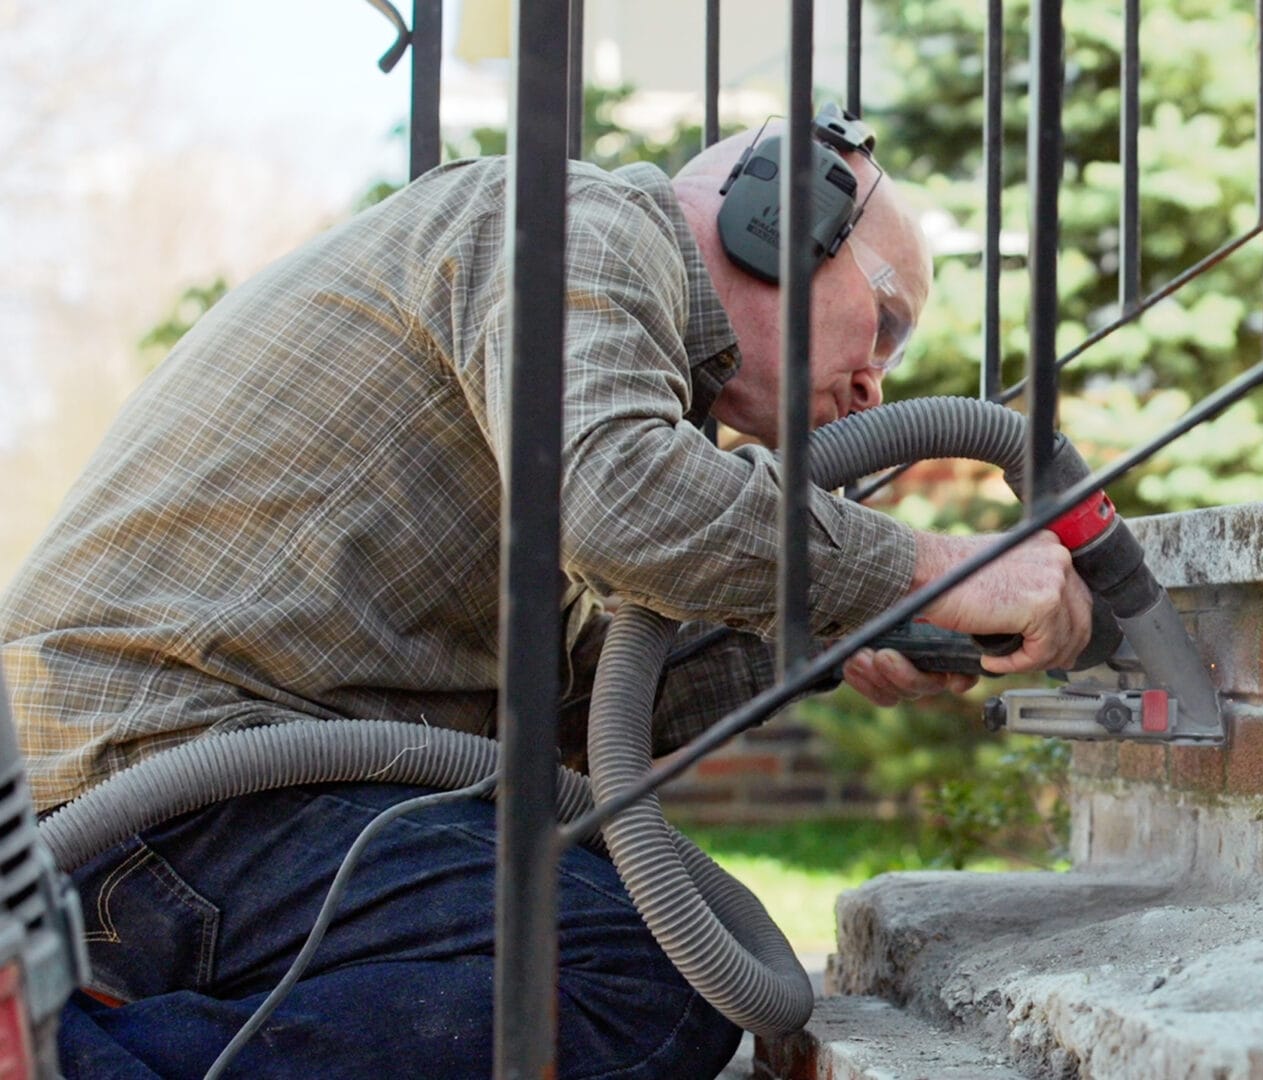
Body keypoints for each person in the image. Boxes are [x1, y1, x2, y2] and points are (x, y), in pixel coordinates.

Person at [0, 116, 1094, 1078]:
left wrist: (822, 627)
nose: (875, 384)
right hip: (163, 797)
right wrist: (923, 564)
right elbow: (623, 498)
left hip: (196, 817)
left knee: (609, 960)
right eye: (887, 322)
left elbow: (582, 709)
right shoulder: (580, 222)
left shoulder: (594, 361)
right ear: (784, 216)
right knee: (620, 976)